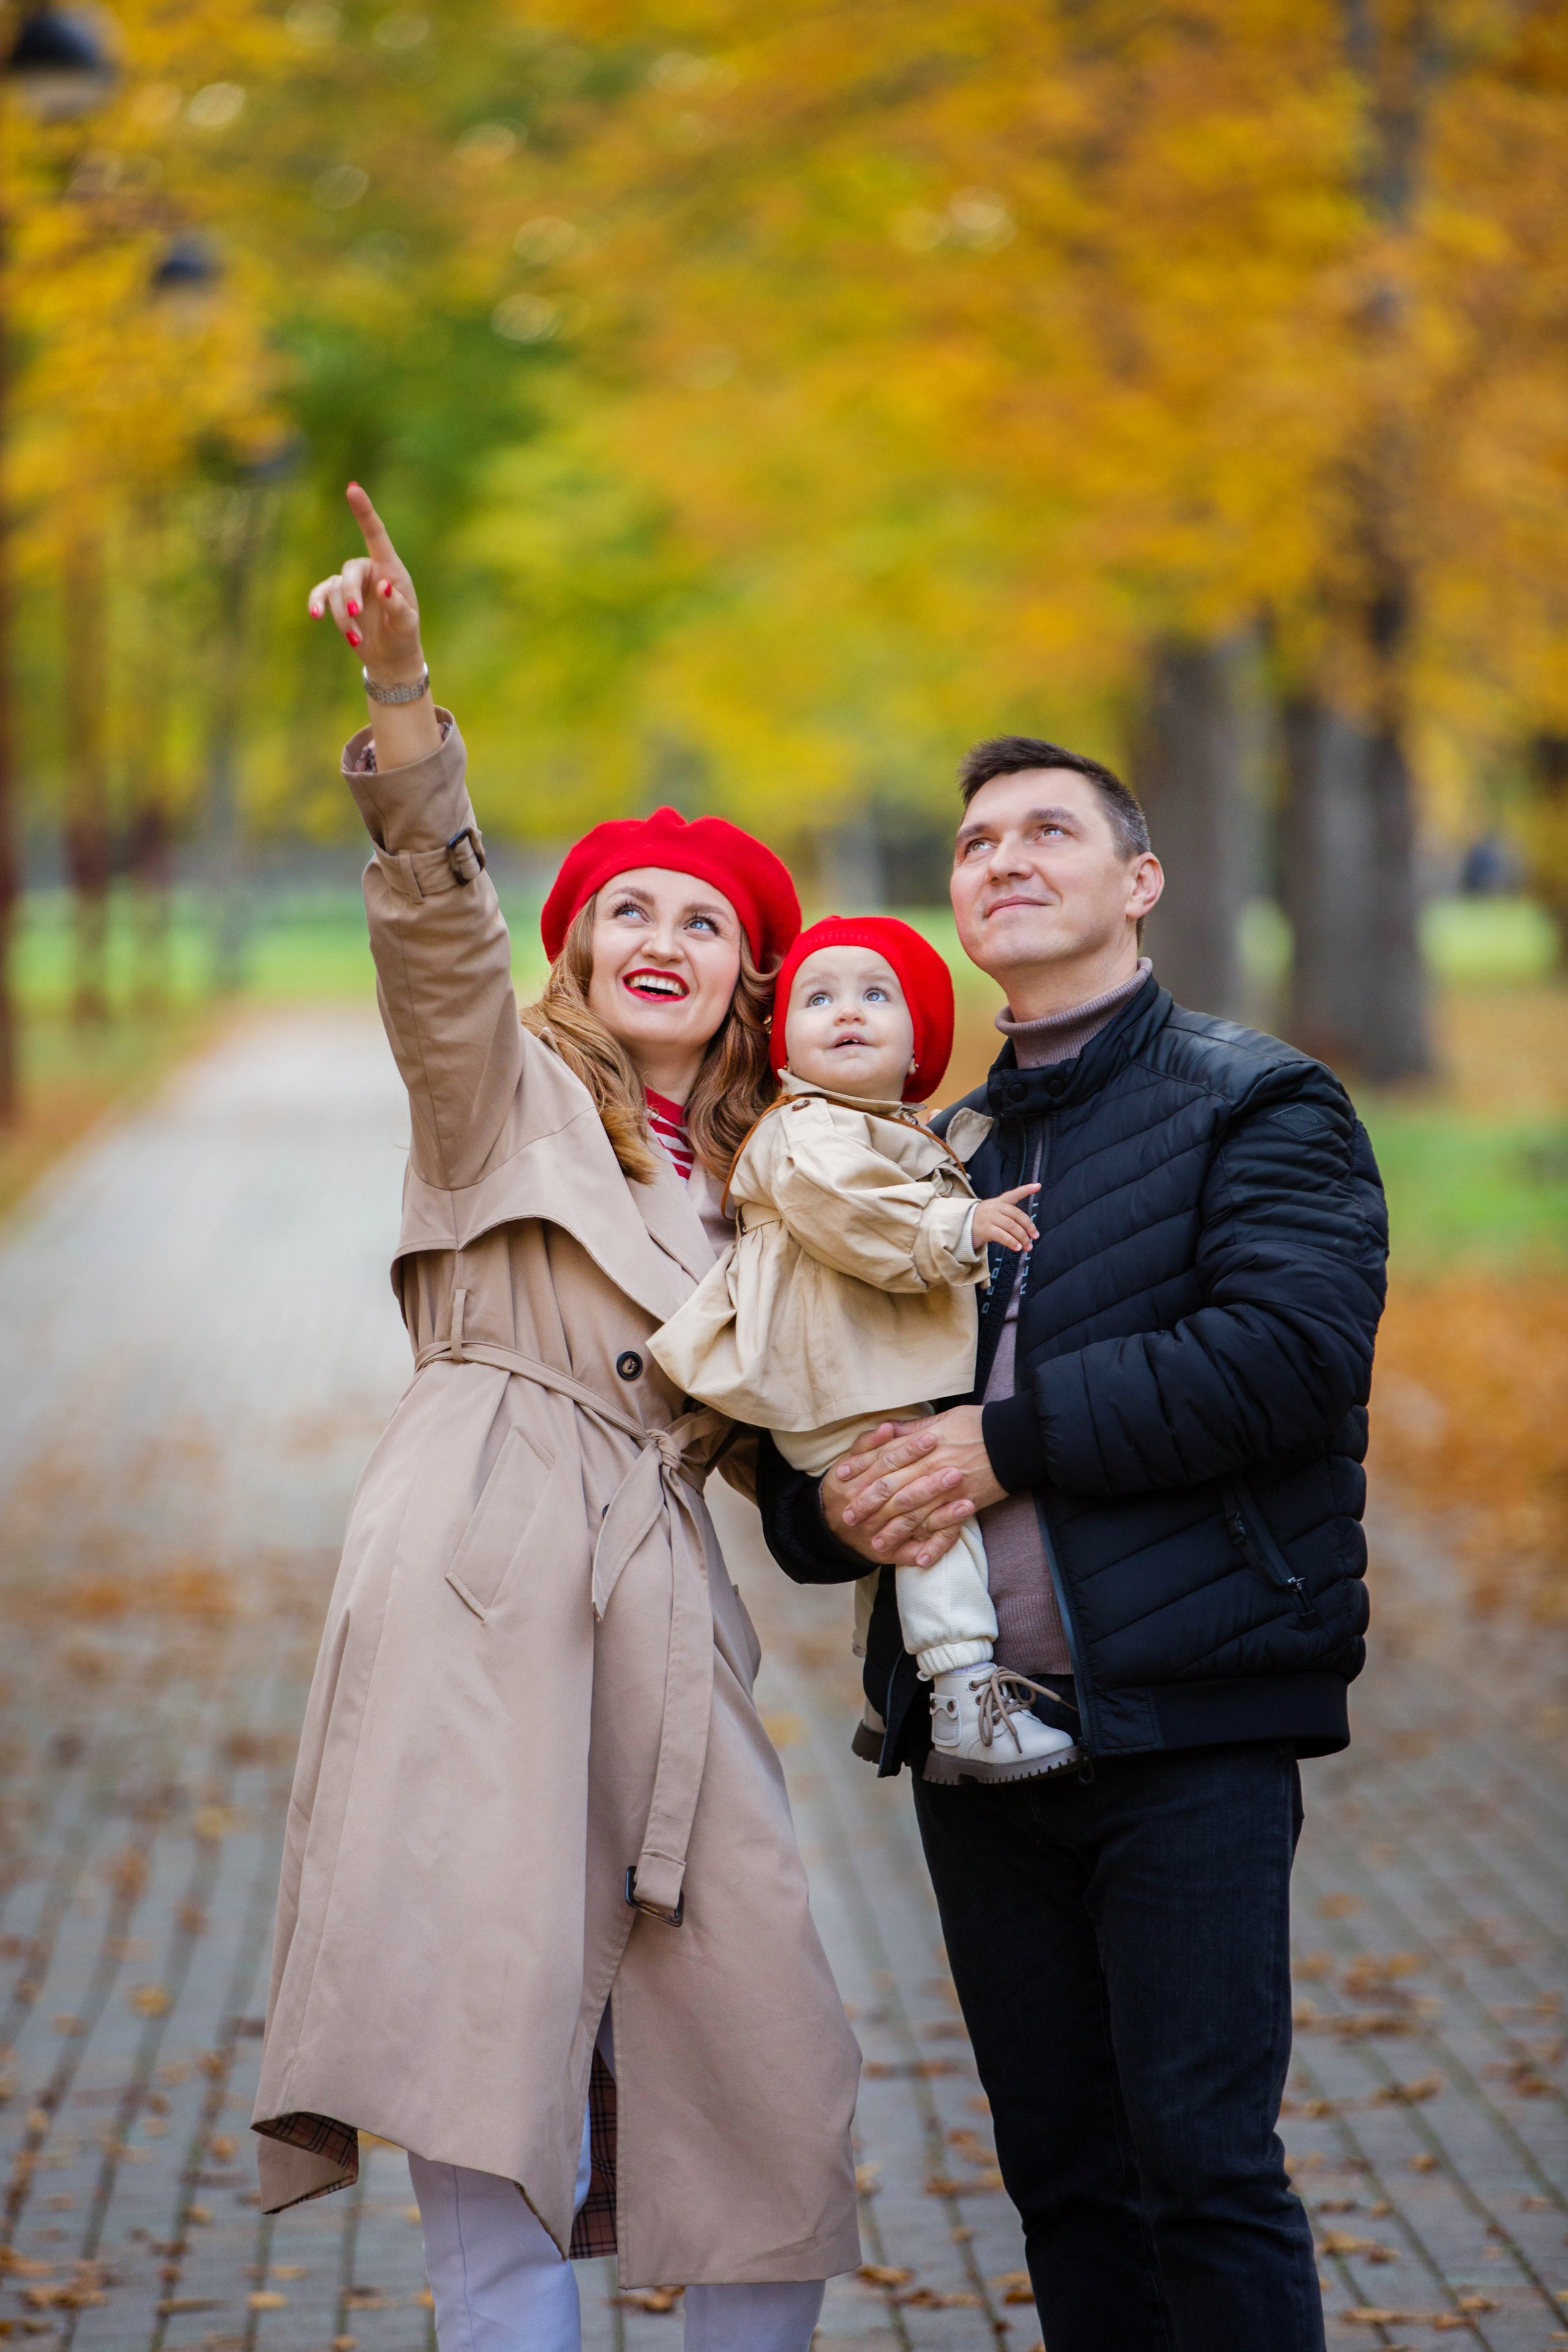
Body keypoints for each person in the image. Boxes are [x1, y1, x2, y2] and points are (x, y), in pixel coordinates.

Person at [250, 485, 861, 2352]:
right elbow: (437, 923)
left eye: (708, 922)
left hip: (663, 1602)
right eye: (627, 915)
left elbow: (828, 1432)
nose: (663, 939)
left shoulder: (781, 1184)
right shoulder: (495, 1091)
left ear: (752, 975)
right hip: (479, 1577)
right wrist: (410, 697)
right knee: (481, 2045)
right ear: (581, 949)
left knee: (773, 2060)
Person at [756, 734, 1389, 2352]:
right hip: (978, 1756)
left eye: (1051, 830)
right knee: (1064, 2180)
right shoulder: (920, 1159)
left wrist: (994, 1444)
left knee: (1204, 2170)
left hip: (1185, 1722)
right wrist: (832, 1496)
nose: (1007, 859)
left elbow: (1285, 1358)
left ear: (1140, 882)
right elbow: (811, 1421)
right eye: (977, 843)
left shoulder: (1260, 1103)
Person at [652, 914, 1075, 1782]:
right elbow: (853, 1211)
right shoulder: (806, 1131)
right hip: (827, 1376)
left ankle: (905, 1692)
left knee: (901, 1535)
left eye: (875, 995)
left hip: (855, 1374)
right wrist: (959, 1224)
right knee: (931, 1511)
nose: (847, 1012)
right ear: (784, 1048)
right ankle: (964, 1695)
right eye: (818, 997)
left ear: (918, 1040)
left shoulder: (893, 1127)